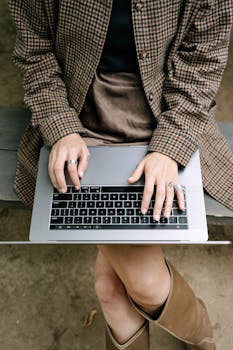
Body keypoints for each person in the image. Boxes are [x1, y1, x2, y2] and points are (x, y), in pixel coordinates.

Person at [9, 1, 233, 349]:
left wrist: (169, 147)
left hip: (164, 113)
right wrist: (60, 126)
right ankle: (201, 334)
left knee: (116, 291)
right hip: (80, 119)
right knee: (120, 290)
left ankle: (200, 332)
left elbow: (202, 63)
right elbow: (34, 53)